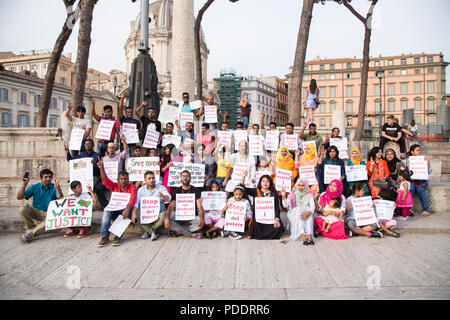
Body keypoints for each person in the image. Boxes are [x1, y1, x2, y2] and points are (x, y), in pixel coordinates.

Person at [97, 157, 137, 247]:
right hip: (115, 209)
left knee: (124, 212)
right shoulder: (114, 186)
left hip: (126, 210)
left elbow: (133, 199)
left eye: (125, 179)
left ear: (128, 179)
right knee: (106, 211)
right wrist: (101, 168)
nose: (123, 181)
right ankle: (104, 236)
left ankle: (118, 236)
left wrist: (127, 210)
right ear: (118, 179)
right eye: (121, 179)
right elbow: (104, 180)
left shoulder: (132, 187)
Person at [17, 169, 64, 243]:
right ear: (41, 178)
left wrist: (57, 189)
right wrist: (24, 184)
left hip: (50, 214)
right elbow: (19, 197)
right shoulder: (35, 187)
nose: (48, 179)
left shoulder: (54, 186)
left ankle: (30, 233)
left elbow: (60, 197)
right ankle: (31, 228)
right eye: (46, 177)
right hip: (36, 211)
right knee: (22, 209)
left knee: (50, 221)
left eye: (50, 177)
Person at [64, 139, 107, 209]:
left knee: (89, 185)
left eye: (89, 143)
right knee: (75, 185)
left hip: (94, 176)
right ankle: (76, 205)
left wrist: (94, 165)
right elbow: (72, 162)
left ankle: (95, 205)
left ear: (93, 145)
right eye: (86, 144)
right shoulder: (81, 155)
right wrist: (68, 153)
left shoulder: (97, 156)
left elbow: (100, 170)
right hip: (83, 176)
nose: (87, 145)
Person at [241, 172, 285, 240]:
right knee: (254, 225)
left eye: (267, 181)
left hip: (270, 217)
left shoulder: (274, 194)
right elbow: (243, 189)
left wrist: (277, 219)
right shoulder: (256, 191)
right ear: (260, 183)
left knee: (278, 227)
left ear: (270, 183)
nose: (265, 183)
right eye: (263, 181)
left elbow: (276, 208)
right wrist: (243, 177)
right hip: (259, 217)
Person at [164, 170, 205, 239]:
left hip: (192, 216)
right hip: (179, 216)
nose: (185, 178)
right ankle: (190, 234)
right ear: (180, 178)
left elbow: (199, 206)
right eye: (183, 176)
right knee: (167, 219)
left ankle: (179, 231)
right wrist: (167, 218)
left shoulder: (195, 190)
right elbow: (171, 206)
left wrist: (201, 218)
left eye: (187, 176)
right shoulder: (177, 191)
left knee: (200, 223)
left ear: (190, 178)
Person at [133, 171, 171, 241]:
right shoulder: (141, 190)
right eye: (149, 178)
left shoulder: (161, 187)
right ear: (145, 180)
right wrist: (133, 213)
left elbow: (169, 197)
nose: (152, 180)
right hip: (146, 213)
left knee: (163, 215)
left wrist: (163, 196)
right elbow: (136, 203)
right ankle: (152, 231)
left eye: (153, 178)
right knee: (136, 214)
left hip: (158, 213)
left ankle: (147, 230)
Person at [281, 179, 315, 245]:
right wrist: (283, 196)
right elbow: (285, 205)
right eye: (299, 185)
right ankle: (302, 234)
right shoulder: (293, 193)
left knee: (309, 212)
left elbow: (312, 206)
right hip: (294, 213)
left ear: (306, 186)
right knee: (299, 210)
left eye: (303, 185)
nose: (301, 187)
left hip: (305, 213)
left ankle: (309, 235)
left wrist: (308, 212)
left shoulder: (309, 195)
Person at [405, 144, 432, 217]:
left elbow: (429, 171)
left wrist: (428, 163)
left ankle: (426, 209)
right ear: (412, 152)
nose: (419, 152)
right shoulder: (407, 161)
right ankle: (409, 209)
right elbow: (405, 173)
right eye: (417, 150)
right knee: (411, 188)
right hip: (412, 181)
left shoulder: (424, 159)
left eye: (420, 150)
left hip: (422, 181)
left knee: (420, 189)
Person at [118, 92, 141, 157]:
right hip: (124, 142)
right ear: (125, 113)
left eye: (130, 112)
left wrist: (138, 132)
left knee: (132, 158)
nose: (129, 113)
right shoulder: (123, 119)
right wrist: (122, 99)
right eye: (127, 112)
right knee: (122, 158)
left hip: (132, 143)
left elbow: (139, 131)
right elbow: (120, 109)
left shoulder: (136, 121)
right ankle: (122, 168)